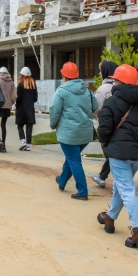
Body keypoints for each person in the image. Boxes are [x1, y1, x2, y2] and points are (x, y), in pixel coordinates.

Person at [95, 65, 138, 248]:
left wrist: (104, 142)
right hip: (137, 153)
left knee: (127, 190)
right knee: (121, 186)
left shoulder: (112, 101)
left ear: (118, 81)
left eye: (115, 80)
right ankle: (110, 217)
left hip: (119, 152)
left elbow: (104, 128)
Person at [50, 62, 97, 200]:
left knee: (74, 160)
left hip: (69, 132)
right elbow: (95, 106)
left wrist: (53, 125)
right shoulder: (87, 90)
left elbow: (54, 110)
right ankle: (62, 180)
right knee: (72, 158)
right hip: (85, 132)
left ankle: (82, 191)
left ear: (64, 75)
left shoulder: (61, 91)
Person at [91, 61, 119, 188]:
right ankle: (102, 176)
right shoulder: (118, 85)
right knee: (112, 154)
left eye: (100, 70)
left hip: (105, 124)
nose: (99, 73)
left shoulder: (103, 89)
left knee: (111, 155)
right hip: (119, 124)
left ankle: (109, 180)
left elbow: (96, 108)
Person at [0, 66, 17, 152]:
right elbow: (14, 96)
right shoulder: (11, 82)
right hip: (7, 106)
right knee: (3, 125)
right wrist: (10, 102)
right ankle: (4, 145)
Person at [15, 67, 38, 151]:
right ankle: (28, 145)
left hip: (21, 108)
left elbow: (18, 97)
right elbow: (35, 98)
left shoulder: (20, 84)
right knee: (29, 127)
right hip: (30, 108)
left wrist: (16, 104)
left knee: (20, 125)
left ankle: (23, 141)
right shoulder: (33, 84)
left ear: (22, 75)